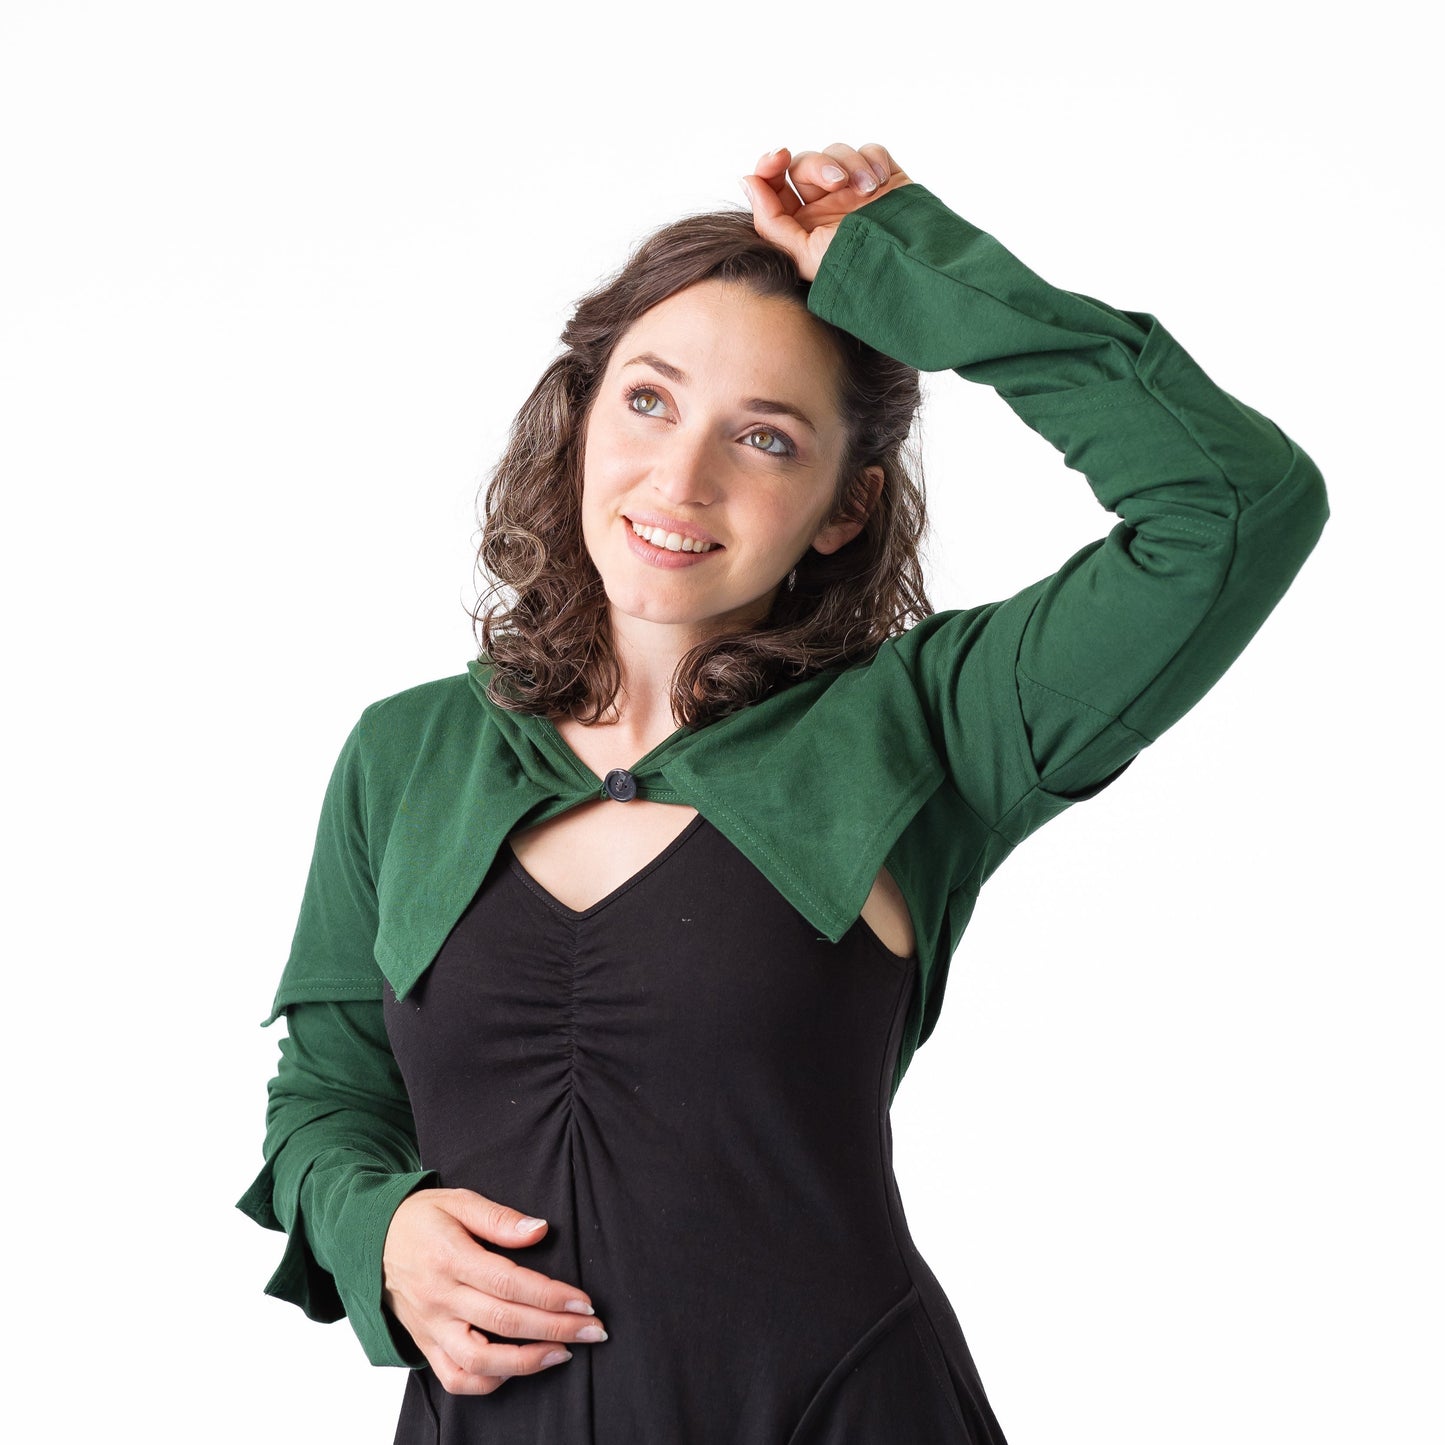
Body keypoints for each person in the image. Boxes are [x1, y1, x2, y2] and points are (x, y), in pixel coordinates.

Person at [239, 140, 1329, 1443]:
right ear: (580, 419)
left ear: (841, 508)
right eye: (649, 401)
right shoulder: (407, 753)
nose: (680, 480)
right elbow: (329, 1100)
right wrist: (380, 1231)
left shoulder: (931, 725)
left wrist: (911, 269)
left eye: (763, 437)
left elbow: (1235, 505)